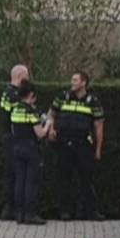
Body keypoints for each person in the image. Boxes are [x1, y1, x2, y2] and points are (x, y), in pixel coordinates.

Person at [50, 71, 105, 220]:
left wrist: (98, 149)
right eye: (72, 80)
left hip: (83, 144)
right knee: (64, 178)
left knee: (86, 179)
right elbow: (51, 114)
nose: (72, 83)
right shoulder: (62, 97)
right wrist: (51, 129)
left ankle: (90, 211)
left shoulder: (93, 101)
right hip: (64, 143)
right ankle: (64, 211)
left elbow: (99, 126)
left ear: (83, 83)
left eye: (75, 80)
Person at [8, 81, 54, 225]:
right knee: (31, 182)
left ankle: (19, 214)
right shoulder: (30, 111)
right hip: (30, 148)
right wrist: (48, 124)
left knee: (19, 181)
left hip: (17, 147)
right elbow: (40, 134)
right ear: (32, 95)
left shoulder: (15, 109)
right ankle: (30, 214)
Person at [0, 64, 28, 220]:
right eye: (26, 77)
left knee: (10, 175)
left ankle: (9, 208)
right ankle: (15, 209)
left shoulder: (7, 92)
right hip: (14, 138)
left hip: (8, 137)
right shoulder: (14, 95)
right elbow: (23, 111)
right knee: (16, 175)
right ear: (20, 76)